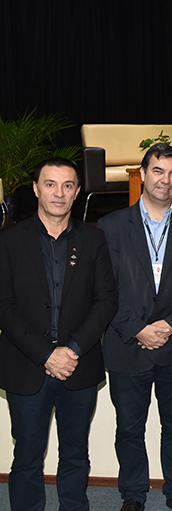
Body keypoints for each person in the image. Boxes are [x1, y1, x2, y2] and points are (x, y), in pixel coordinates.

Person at [0, 157, 118, 511]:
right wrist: (47, 354)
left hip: (78, 367)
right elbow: (4, 306)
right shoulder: (8, 241)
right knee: (26, 459)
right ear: (36, 189)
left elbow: (106, 300)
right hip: (26, 368)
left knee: (76, 455)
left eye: (68, 185)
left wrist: (72, 350)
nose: (59, 193)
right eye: (50, 184)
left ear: (77, 191)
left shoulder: (94, 239)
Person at [98, 143, 172, 511]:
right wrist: (138, 329)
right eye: (158, 171)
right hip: (127, 346)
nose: (166, 180)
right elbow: (107, 290)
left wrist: (168, 327)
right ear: (143, 174)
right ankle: (133, 494)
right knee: (130, 428)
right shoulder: (111, 225)